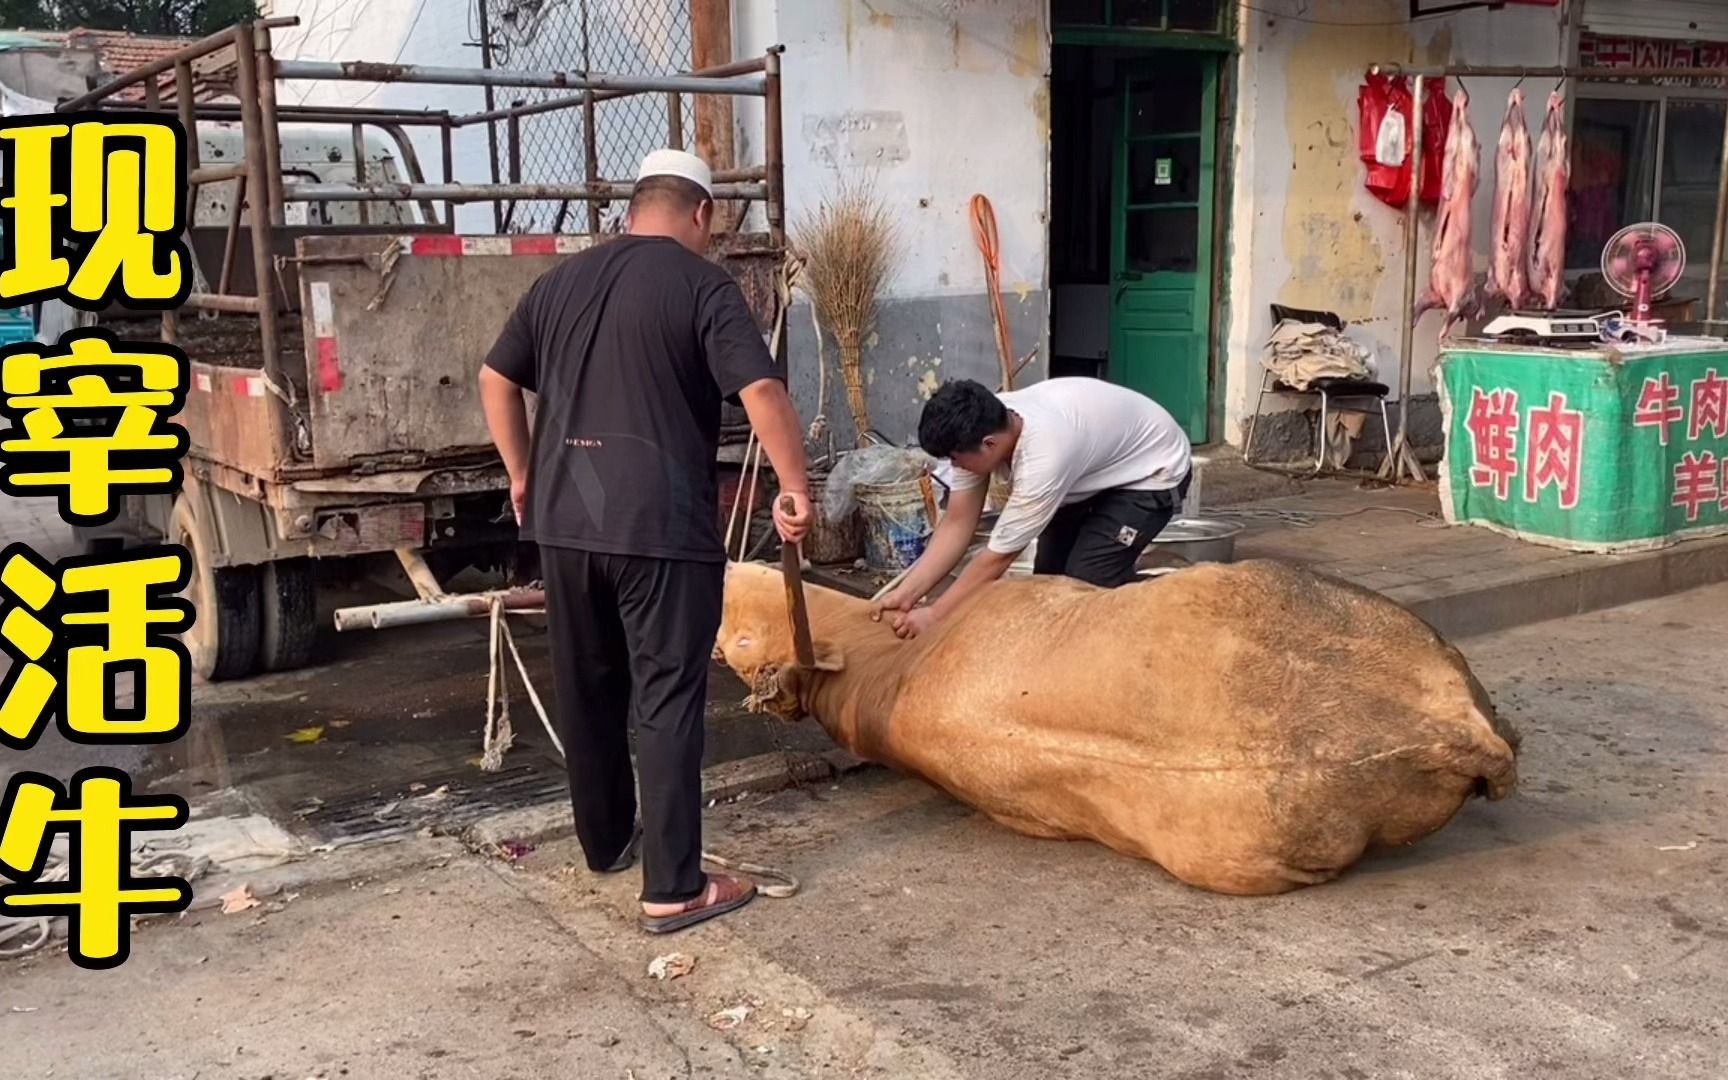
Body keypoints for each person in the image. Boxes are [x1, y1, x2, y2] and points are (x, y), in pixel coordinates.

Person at [479, 149, 811, 934]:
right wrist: (795, 487)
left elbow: (497, 378)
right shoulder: (702, 285)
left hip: (564, 522)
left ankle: (605, 846)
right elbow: (761, 388)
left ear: (634, 208)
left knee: (589, 691)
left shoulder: (559, 282)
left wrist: (523, 474)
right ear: (700, 214)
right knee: (666, 701)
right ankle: (673, 888)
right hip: (660, 529)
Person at [873, 377, 1190, 639]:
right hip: (1091, 470)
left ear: (989, 445)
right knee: (1048, 586)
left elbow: (996, 560)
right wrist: (908, 592)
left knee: (1086, 584)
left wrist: (936, 615)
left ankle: (1181, 601)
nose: (954, 466)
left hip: (1151, 471)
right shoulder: (983, 424)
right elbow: (958, 521)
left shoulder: (1044, 457)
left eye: (955, 458)